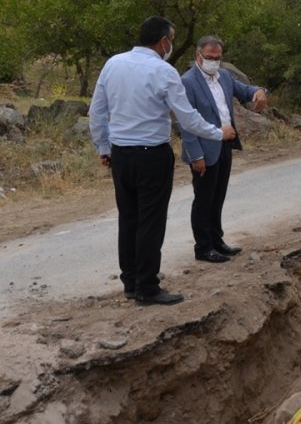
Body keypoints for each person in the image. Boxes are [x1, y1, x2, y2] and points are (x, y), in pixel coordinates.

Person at [89, 16, 236, 306]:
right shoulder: (164, 71)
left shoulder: (113, 64)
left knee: (128, 218)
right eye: (172, 39)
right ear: (164, 42)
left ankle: (130, 282)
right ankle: (147, 286)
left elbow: (97, 111)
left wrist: (103, 146)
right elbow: (187, 117)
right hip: (151, 155)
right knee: (150, 222)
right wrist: (218, 133)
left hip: (121, 154)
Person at [180, 36, 268, 263]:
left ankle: (217, 240)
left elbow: (245, 90)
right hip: (203, 149)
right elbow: (186, 124)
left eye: (217, 58)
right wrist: (195, 155)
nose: (213, 62)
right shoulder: (188, 82)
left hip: (224, 145)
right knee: (203, 198)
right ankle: (203, 247)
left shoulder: (224, 76)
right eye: (209, 58)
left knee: (218, 196)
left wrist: (259, 91)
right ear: (198, 56)